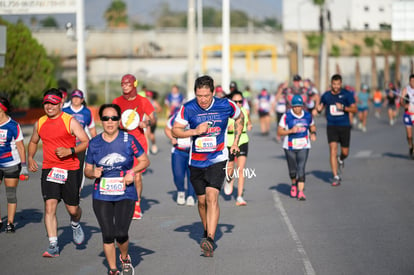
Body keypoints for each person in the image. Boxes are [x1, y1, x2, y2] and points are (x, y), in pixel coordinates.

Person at [172, 75, 244, 257]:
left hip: (217, 158)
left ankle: (210, 239)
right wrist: (195, 131)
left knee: (212, 197)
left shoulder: (225, 105)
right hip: (196, 161)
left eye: (206, 95)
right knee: (202, 201)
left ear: (213, 92)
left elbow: (240, 117)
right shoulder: (188, 108)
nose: (202, 100)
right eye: (199, 95)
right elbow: (175, 130)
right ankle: (206, 232)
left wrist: (235, 141)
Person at [84, 103, 150, 275]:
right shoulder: (94, 143)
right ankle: (113, 270)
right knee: (107, 234)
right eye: (106, 118)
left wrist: (132, 172)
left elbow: (144, 161)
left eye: (114, 118)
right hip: (102, 194)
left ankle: (125, 257)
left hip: (125, 192)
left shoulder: (129, 140)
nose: (110, 121)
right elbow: (87, 170)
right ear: (101, 121)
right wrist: (93, 173)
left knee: (120, 233)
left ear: (119, 120)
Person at [27, 88, 89, 257]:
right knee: (50, 206)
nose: (49, 107)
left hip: (70, 169)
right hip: (50, 169)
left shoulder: (70, 121)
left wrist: (70, 150)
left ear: (61, 103)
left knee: (73, 209)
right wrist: (30, 157)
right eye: (47, 103)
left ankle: (75, 224)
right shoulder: (39, 123)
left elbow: (85, 141)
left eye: (53, 103)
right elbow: (33, 141)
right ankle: (53, 245)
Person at [113, 74, 155, 220]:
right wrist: (119, 124)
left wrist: (145, 123)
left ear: (134, 84)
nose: (124, 86)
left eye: (127, 84)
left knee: (136, 176)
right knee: (121, 174)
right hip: (121, 141)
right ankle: (123, 203)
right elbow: (111, 119)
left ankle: (137, 204)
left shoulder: (142, 101)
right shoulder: (117, 101)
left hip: (138, 142)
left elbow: (152, 119)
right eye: (122, 84)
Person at [316, 74, 357, 186]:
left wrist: (344, 108)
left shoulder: (347, 95)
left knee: (345, 152)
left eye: (338, 84)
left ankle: (341, 158)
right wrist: (318, 109)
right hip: (331, 126)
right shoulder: (326, 95)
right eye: (334, 84)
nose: (336, 86)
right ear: (331, 84)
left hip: (344, 126)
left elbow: (354, 109)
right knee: (332, 149)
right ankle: (335, 176)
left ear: (341, 84)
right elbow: (320, 107)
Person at [277, 94, 316, 200]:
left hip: (304, 146)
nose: (297, 108)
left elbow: (312, 125)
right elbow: (279, 131)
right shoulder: (286, 116)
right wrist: (290, 131)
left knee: (301, 169)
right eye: (295, 106)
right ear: (291, 106)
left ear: (302, 106)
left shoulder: (308, 115)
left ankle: (301, 192)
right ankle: (293, 184)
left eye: (299, 106)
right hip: (289, 147)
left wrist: (313, 133)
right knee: (293, 171)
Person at [0, 97, 28, 233]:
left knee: (10, 194)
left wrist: (24, 167)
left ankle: (10, 222)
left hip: (11, 164)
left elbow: (21, 147)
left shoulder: (13, 125)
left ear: (2, 109)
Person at [63, 89, 97, 191]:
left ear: (82, 99)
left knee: (79, 168)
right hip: (67, 144)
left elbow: (92, 129)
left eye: (78, 98)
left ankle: (78, 189)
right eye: (74, 97)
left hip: (81, 145)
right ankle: (66, 188)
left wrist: (96, 145)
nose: (76, 100)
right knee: (66, 167)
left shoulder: (87, 112)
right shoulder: (65, 111)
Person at [223, 91, 252, 206]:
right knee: (230, 169)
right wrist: (229, 128)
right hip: (229, 142)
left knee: (241, 170)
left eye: (241, 101)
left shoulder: (245, 111)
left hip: (243, 140)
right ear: (231, 102)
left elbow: (248, 121)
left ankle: (240, 196)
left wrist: (249, 124)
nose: (238, 104)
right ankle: (229, 180)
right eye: (236, 102)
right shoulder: (227, 113)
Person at [164, 113, 196, 206]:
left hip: (193, 151)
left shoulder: (197, 116)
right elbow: (167, 128)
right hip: (178, 150)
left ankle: (191, 195)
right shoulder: (177, 117)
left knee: (192, 175)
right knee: (178, 175)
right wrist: (172, 138)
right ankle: (181, 191)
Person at [400, 74, 414, 159]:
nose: (413, 83)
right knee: (409, 136)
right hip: (408, 114)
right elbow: (401, 101)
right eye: (412, 81)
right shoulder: (406, 89)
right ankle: (410, 146)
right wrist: (404, 105)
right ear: (409, 81)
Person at [144, 89, 162, 155]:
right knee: (146, 133)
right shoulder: (144, 102)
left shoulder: (154, 102)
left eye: (149, 96)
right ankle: (147, 148)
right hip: (146, 120)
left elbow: (160, 109)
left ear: (151, 96)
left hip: (153, 120)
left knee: (151, 135)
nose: (148, 97)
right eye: (147, 96)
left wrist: (153, 111)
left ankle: (154, 144)